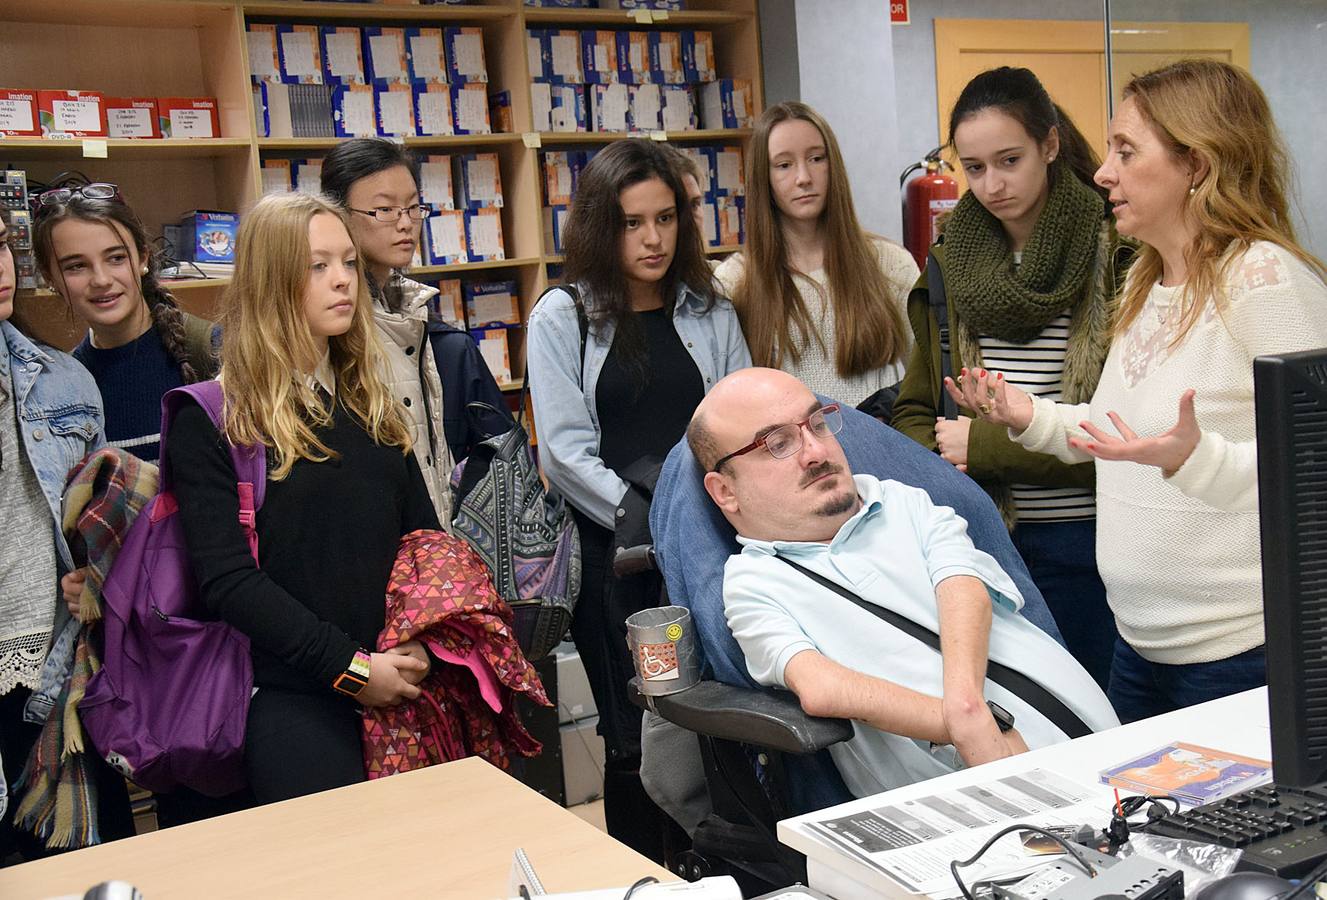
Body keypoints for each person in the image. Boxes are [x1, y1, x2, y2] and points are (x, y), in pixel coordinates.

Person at [948, 59, 1327, 723]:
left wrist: (1193, 461)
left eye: (1126, 151)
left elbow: (1312, 473)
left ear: (1198, 165)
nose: (1102, 171)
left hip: (1242, 652)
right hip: (1141, 650)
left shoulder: (1264, 278)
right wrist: (1026, 415)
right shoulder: (1147, 284)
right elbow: (1122, 434)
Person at [686, 368, 1118, 797]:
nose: (816, 451)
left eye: (817, 424)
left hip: (1106, 748)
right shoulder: (753, 583)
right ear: (725, 491)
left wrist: (968, 711)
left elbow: (963, 584)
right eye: (778, 444)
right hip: (985, 797)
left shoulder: (901, 500)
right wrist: (969, 729)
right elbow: (822, 687)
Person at [169, 192, 439, 803]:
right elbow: (230, 581)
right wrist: (353, 670)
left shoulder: (370, 400)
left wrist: (418, 639)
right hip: (292, 697)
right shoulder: (215, 417)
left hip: (402, 682)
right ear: (271, 282)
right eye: (318, 266)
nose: (344, 280)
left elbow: (423, 542)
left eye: (347, 261)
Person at [526, 138, 750, 861]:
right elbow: (562, 452)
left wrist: (704, 514)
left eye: (665, 218)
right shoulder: (562, 316)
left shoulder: (708, 309)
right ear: (600, 225)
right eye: (631, 223)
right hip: (616, 559)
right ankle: (638, 874)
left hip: (709, 547)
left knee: (718, 719)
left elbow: (738, 416)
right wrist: (651, 511)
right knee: (634, 734)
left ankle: (718, 868)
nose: (652, 239)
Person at [891, 67, 1131, 691]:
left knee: (1108, 724)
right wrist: (947, 458)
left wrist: (988, 448)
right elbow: (915, 414)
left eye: (1009, 160)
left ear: (1050, 145)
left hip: (1101, 543)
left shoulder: (1120, 253)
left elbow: (1133, 432)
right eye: (973, 168)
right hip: (989, 544)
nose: (992, 185)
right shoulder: (948, 266)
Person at [0, 207, 134, 860]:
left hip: (62, 665)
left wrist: (97, 570)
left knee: (92, 860)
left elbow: (98, 521)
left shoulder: (64, 380)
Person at [321, 138, 508, 523]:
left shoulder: (438, 337)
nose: (405, 223)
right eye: (385, 209)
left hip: (444, 559)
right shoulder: (326, 337)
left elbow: (499, 459)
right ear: (337, 214)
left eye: (412, 207)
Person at [716, 102, 917, 408]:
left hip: (879, 445)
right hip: (789, 452)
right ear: (763, 178)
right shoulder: (734, 281)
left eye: (816, 158)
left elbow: (927, 377)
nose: (804, 177)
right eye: (784, 165)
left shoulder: (889, 263)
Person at [32, 184, 220, 464]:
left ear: (143, 258)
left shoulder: (212, 349)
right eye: (76, 266)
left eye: (116, 258)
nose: (101, 280)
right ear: (50, 278)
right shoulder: (65, 387)